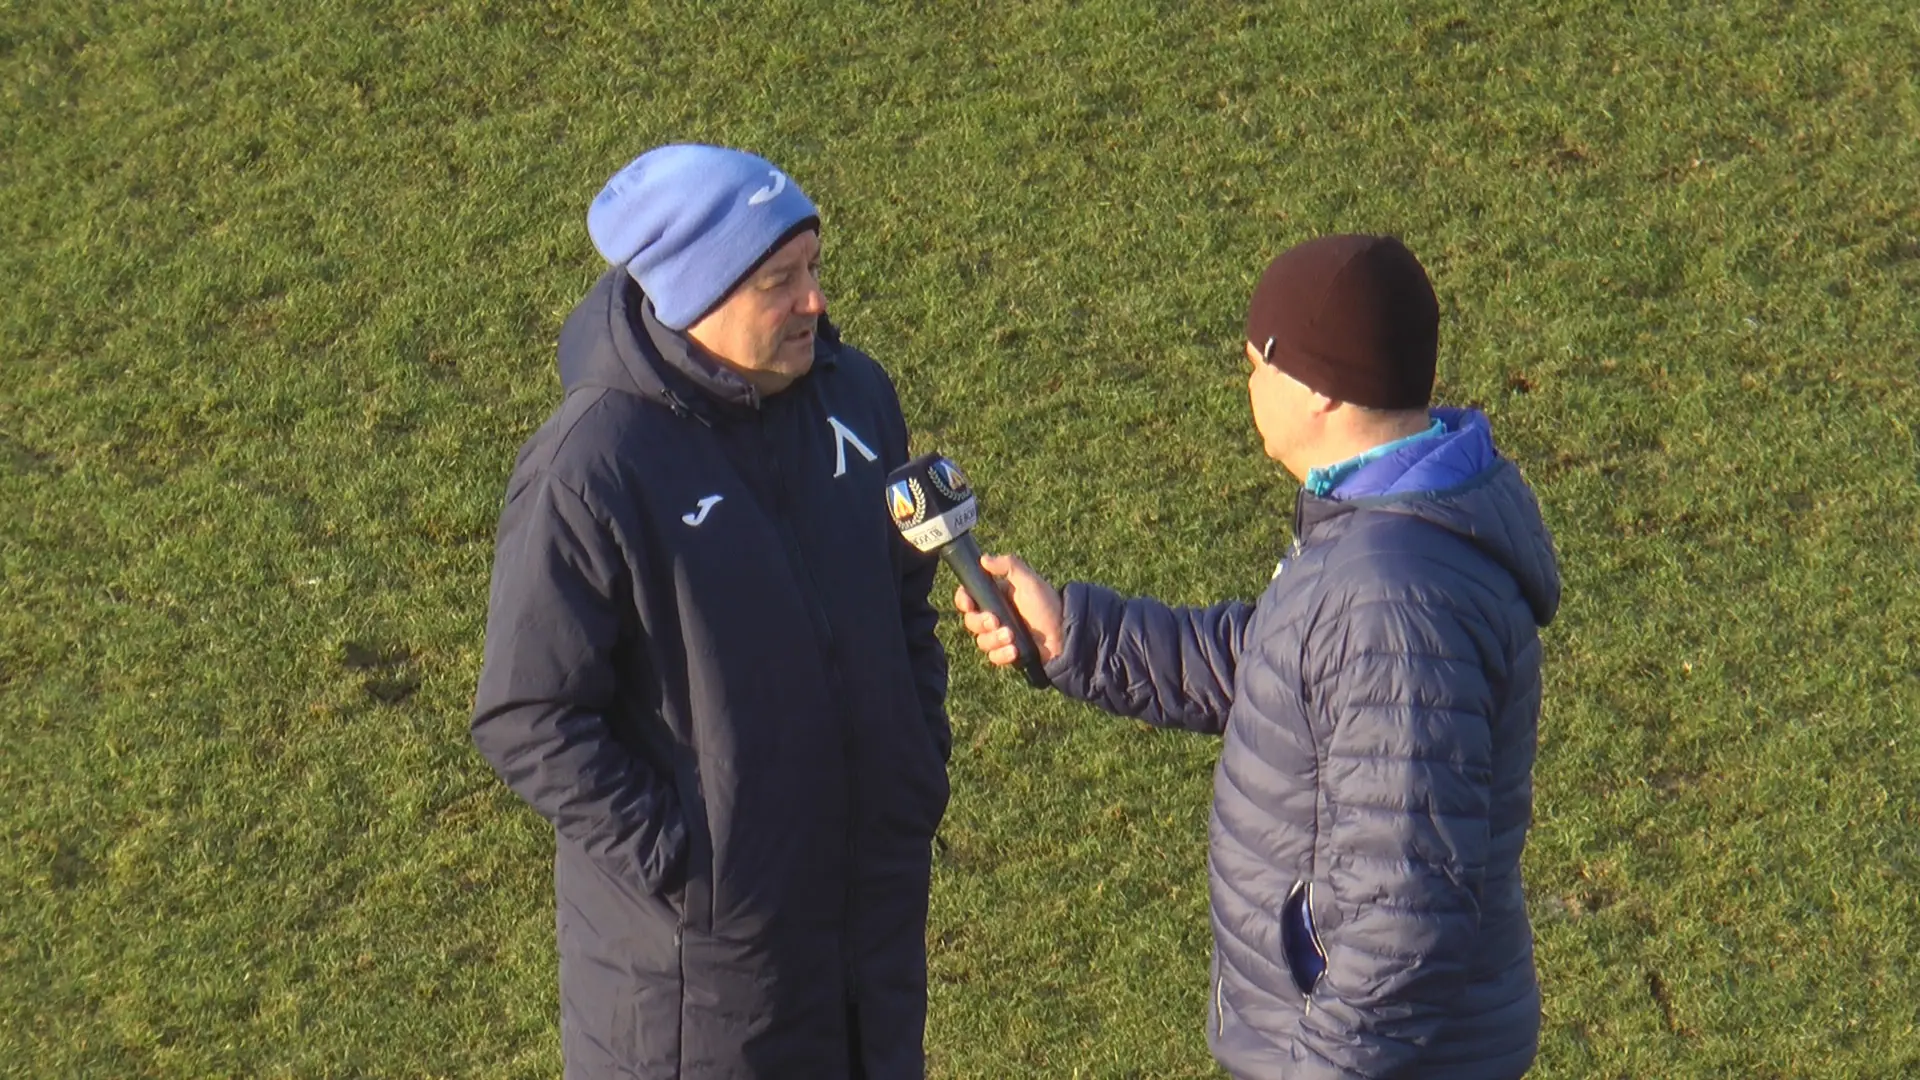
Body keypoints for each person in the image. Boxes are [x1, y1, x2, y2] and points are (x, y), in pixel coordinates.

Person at [957, 234, 1561, 1079]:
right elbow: (1277, 667)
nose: (1248, 387)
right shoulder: (1384, 527)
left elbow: (1402, 920)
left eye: (1257, 365)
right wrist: (1076, 637)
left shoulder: (1389, 595)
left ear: (1318, 389)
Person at [472, 144, 952, 1080]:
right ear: (695, 295)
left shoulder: (856, 397)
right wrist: (687, 862)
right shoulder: (591, 468)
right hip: (702, 988)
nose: (814, 301)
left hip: (870, 934)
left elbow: (904, 595)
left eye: (814, 267)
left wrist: (912, 755)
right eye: (780, 282)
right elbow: (528, 713)